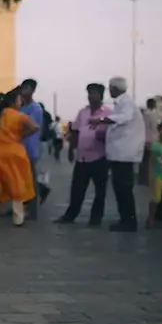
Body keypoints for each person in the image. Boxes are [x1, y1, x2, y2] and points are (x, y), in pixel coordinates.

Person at [91, 77, 146, 232]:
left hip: (124, 154)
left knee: (123, 189)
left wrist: (102, 120)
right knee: (120, 188)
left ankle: (128, 221)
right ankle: (125, 219)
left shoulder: (126, 103)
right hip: (120, 153)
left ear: (115, 88)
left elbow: (124, 118)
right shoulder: (121, 104)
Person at [57, 83, 110, 226]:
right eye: (89, 93)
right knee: (77, 189)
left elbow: (112, 133)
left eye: (94, 93)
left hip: (100, 157)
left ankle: (95, 219)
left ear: (101, 95)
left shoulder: (107, 112)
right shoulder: (83, 112)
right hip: (82, 158)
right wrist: (70, 149)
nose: (91, 96)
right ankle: (70, 215)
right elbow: (75, 131)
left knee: (100, 191)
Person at [0, 89, 39, 227]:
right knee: (17, 182)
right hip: (15, 152)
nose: (20, 101)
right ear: (14, 101)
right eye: (19, 99)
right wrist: (21, 135)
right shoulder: (18, 115)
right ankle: (18, 217)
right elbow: (35, 126)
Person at [18, 80, 45, 218]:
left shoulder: (35, 108)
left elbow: (32, 127)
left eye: (27, 88)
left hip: (30, 149)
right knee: (21, 181)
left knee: (30, 182)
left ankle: (32, 211)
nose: (24, 91)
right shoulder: (21, 108)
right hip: (20, 149)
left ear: (32, 90)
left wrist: (17, 136)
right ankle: (21, 207)